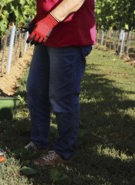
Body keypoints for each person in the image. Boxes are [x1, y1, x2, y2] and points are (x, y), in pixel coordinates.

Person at [24, 0, 96, 166]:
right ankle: (39, 142)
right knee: (36, 91)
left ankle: (63, 152)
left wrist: (49, 21)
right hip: (48, 33)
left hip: (69, 34)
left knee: (62, 96)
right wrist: (39, 18)